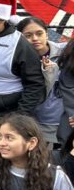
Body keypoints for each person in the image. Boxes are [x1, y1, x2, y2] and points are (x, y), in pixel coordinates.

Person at [17, 17, 67, 146]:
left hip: (62, 120)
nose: (34, 38)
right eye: (28, 35)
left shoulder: (65, 52)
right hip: (32, 121)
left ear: (47, 33)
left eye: (39, 33)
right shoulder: (17, 58)